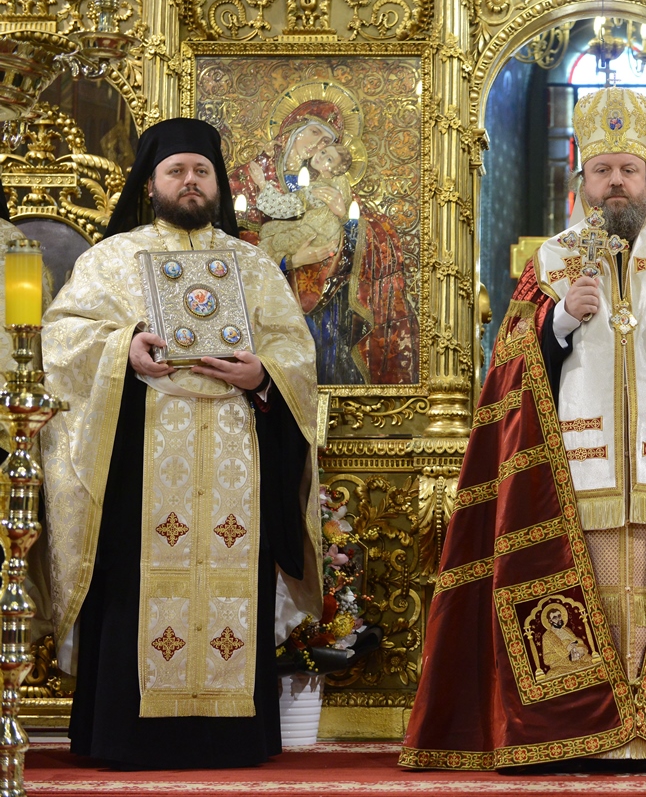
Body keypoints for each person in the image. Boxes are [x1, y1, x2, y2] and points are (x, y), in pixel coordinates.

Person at [400, 87, 646, 770]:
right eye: (602, 170)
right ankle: (587, 733)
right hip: (575, 478)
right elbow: (505, 369)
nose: (616, 182)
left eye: (628, 170)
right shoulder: (551, 262)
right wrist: (556, 323)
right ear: (580, 180)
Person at [40, 117, 323, 769]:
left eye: (201, 171)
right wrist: (123, 348)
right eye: (176, 171)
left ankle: (230, 738)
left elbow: (296, 354)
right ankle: (125, 737)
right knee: (133, 589)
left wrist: (263, 374)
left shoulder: (253, 266)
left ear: (218, 184)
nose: (189, 181)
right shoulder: (110, 260)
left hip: (234, 464)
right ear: (151, 183)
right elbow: (61, 340)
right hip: (137, 465)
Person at [229, 98, 419, 385]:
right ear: (293, 130)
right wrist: (289, 261)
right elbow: (236, 244)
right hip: (272, 298)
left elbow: (363, 226)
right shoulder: (249, 176)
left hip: (327, 291)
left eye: (327, 142)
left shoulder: (325, 184)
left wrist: (346, 223)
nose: (319, 145)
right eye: (315, 132)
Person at [258, 142, 355, 286]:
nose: (321, 157)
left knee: (269, 244)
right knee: (268, 230)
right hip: (319, 232)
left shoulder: (321, 188)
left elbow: (283, 207)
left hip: (315, 235)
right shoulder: (339, 184)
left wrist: (262, 184)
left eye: (329, 159)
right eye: (323, 152)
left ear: (337, 169)